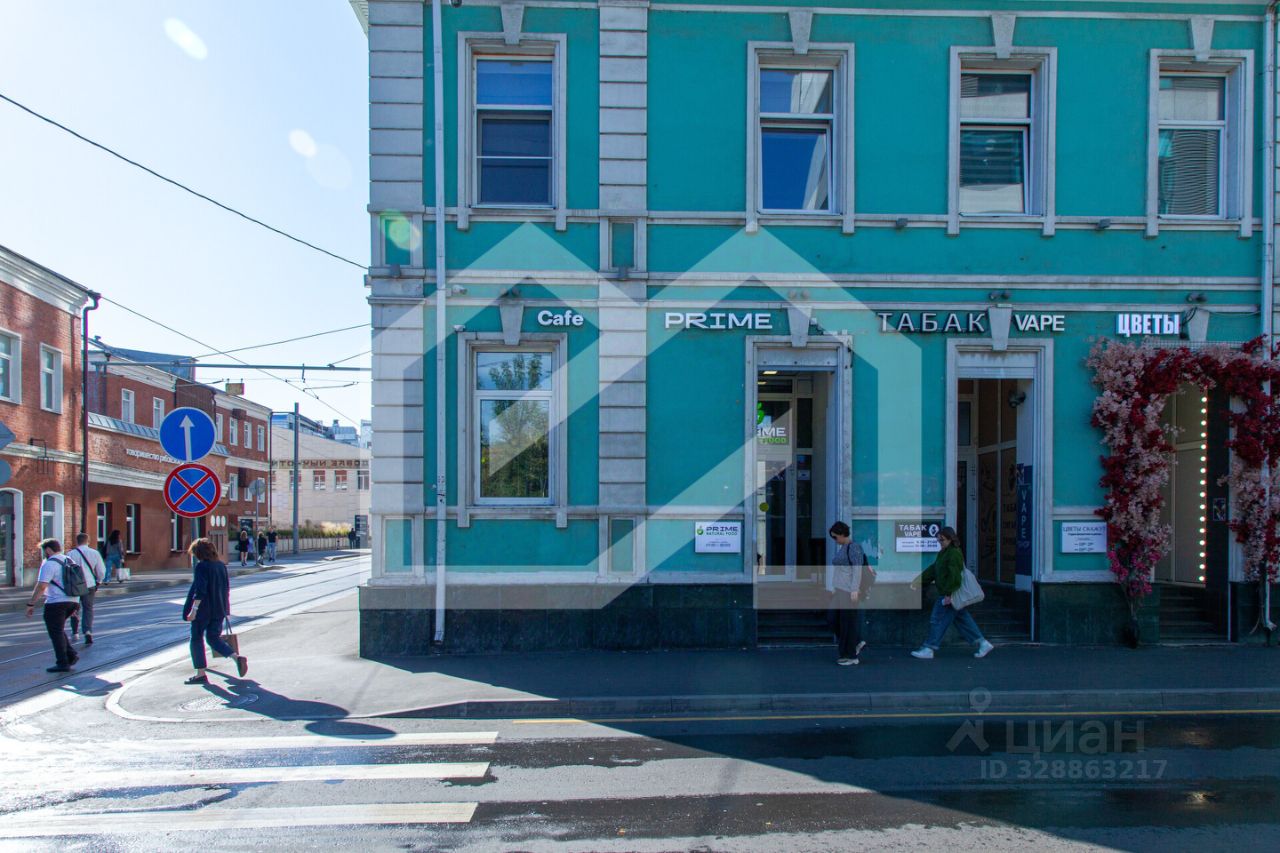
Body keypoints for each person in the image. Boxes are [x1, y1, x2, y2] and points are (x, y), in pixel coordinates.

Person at [910, 526, 994, 660]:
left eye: (942, 540)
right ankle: (983, 643)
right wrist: (918, 582)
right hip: (949, 592)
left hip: (949, 593)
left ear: (950, 539)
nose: (940, 542)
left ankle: (929, 648)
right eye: (938, 540)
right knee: (962, 619)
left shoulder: (953, 553)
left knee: (937, 619)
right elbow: (934, 569)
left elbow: (954, 576)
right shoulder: (944, 552)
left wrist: (949, 594)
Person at [182, 538, 248, 685]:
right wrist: (225, 608)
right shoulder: (221, 566)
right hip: (219, 608)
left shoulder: (202, 567)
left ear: (198, 553)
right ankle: (236, 657)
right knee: (213, 637)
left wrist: (193, 610)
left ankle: (200, 673)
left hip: (203, 610)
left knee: (196, 638)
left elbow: (200, 590)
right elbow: (226, 588)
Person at [24, 539, 81, 673]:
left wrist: (31, 603)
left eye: (44, 551)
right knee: (58, 630)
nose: (44, 554)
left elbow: (41, 586)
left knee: (55, 632)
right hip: (73, 600)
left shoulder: (49, 564)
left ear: (48, 550)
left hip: (56, 602)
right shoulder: (69, 560)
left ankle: (63, 662)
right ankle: (71, 655)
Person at [829, 522, 868, 666]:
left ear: (841, 534)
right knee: (833, 619)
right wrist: (835, 587)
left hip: (848, 591)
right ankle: (855, 642)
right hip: (840, 590)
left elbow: (857, 570)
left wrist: (854, 589)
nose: (835, 540)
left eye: (835, 537)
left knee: (846, 623)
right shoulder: (844, 548)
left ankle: (850, 655)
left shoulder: (854, 547)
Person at [67, 532, 107, 645]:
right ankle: (87, 631)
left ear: (77, 541)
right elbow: (101, 571)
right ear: (88, 541)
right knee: (88, 608)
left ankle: (75, 632)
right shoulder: (94, 553)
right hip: (89, 584)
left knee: (74, 608)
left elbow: (66, 571)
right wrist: (99, 581)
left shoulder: (70, 554)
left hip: (75, 585)